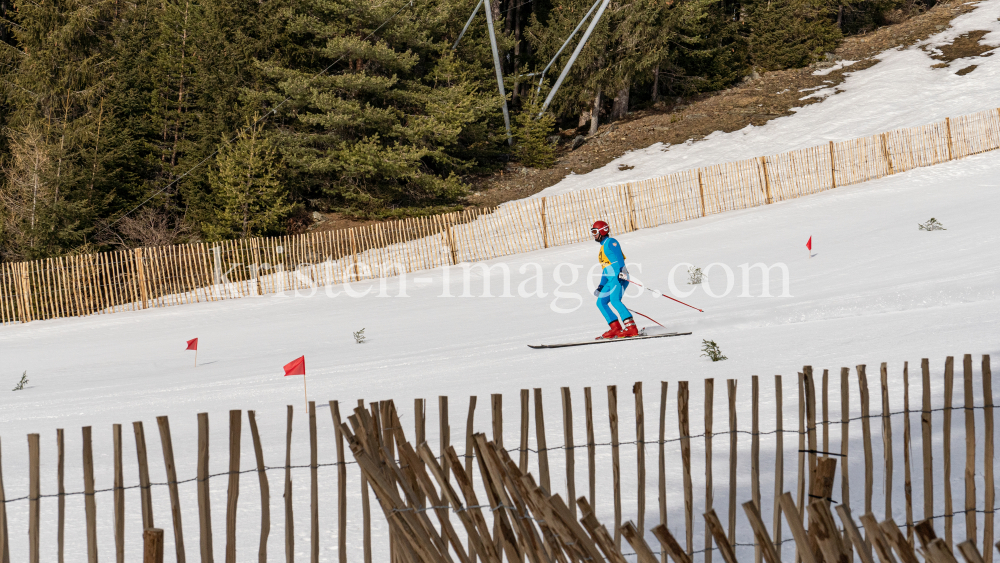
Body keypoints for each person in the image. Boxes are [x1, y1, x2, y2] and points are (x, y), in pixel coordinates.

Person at [591, 220, 638, 339]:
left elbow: (619, 257)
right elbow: (605, 269)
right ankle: (615, 328)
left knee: (615, 300)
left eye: (595, 231)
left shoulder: (611, 242)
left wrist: (622, 270)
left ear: (603, 231)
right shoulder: (602, 248)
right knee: (600, 302)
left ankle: (632, 328)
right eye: (592, 232)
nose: (594, 235)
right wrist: (601, 286)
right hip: (610, 280)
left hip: (619, 277)